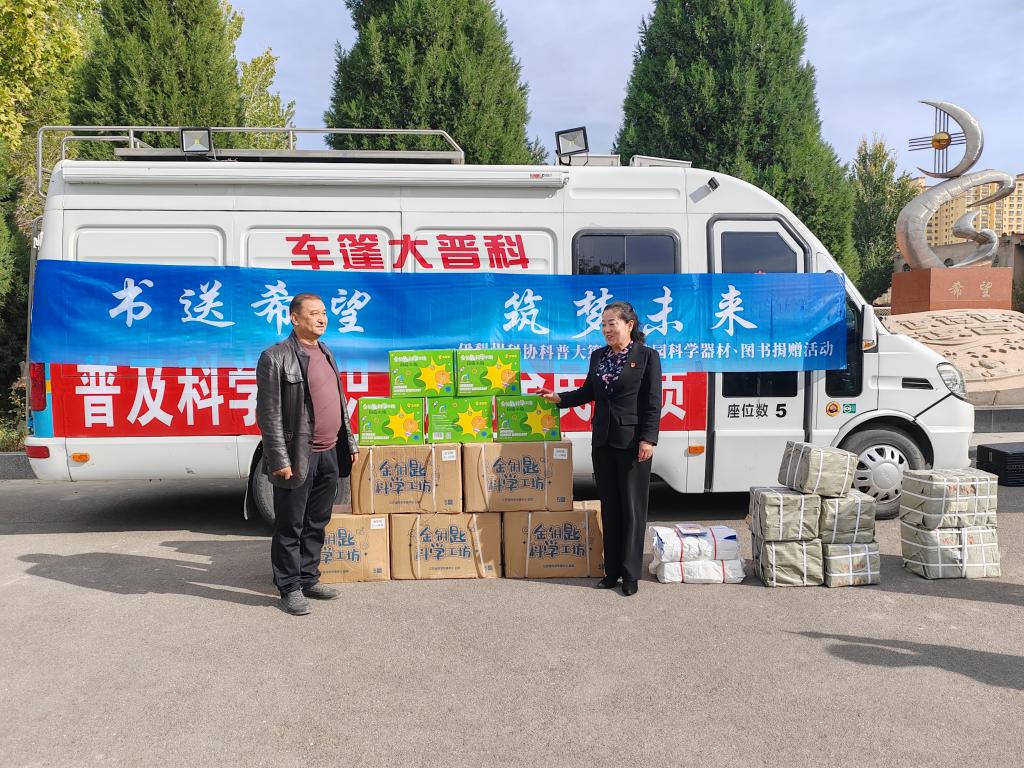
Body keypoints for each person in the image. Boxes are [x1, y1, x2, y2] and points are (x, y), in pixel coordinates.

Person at [540, 302, 662, 596]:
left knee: (632, 509)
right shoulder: (599, 356)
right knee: (610, 507)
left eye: (612, 323)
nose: (607, 329)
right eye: (604, 324)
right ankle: (612, 571)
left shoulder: (647, 356)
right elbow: (589, 392)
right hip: (603, 441)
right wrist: (559, 398)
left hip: (633, 443)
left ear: (629, 325)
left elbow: (652, 401)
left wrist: (648, 439)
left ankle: (630, 575)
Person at [256, 293, 359, 615]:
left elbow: (338, 401)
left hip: (329, 452)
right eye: (314, 313)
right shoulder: (275, 357)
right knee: (291, 525)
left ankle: (308, 577)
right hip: (298, 455)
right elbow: (268, 414)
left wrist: (349, 443)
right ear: (295, 318)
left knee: (317, 521)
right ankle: (289, 587)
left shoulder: (326, 351)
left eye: (324, 312)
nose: (322, 318)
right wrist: (279, 459)